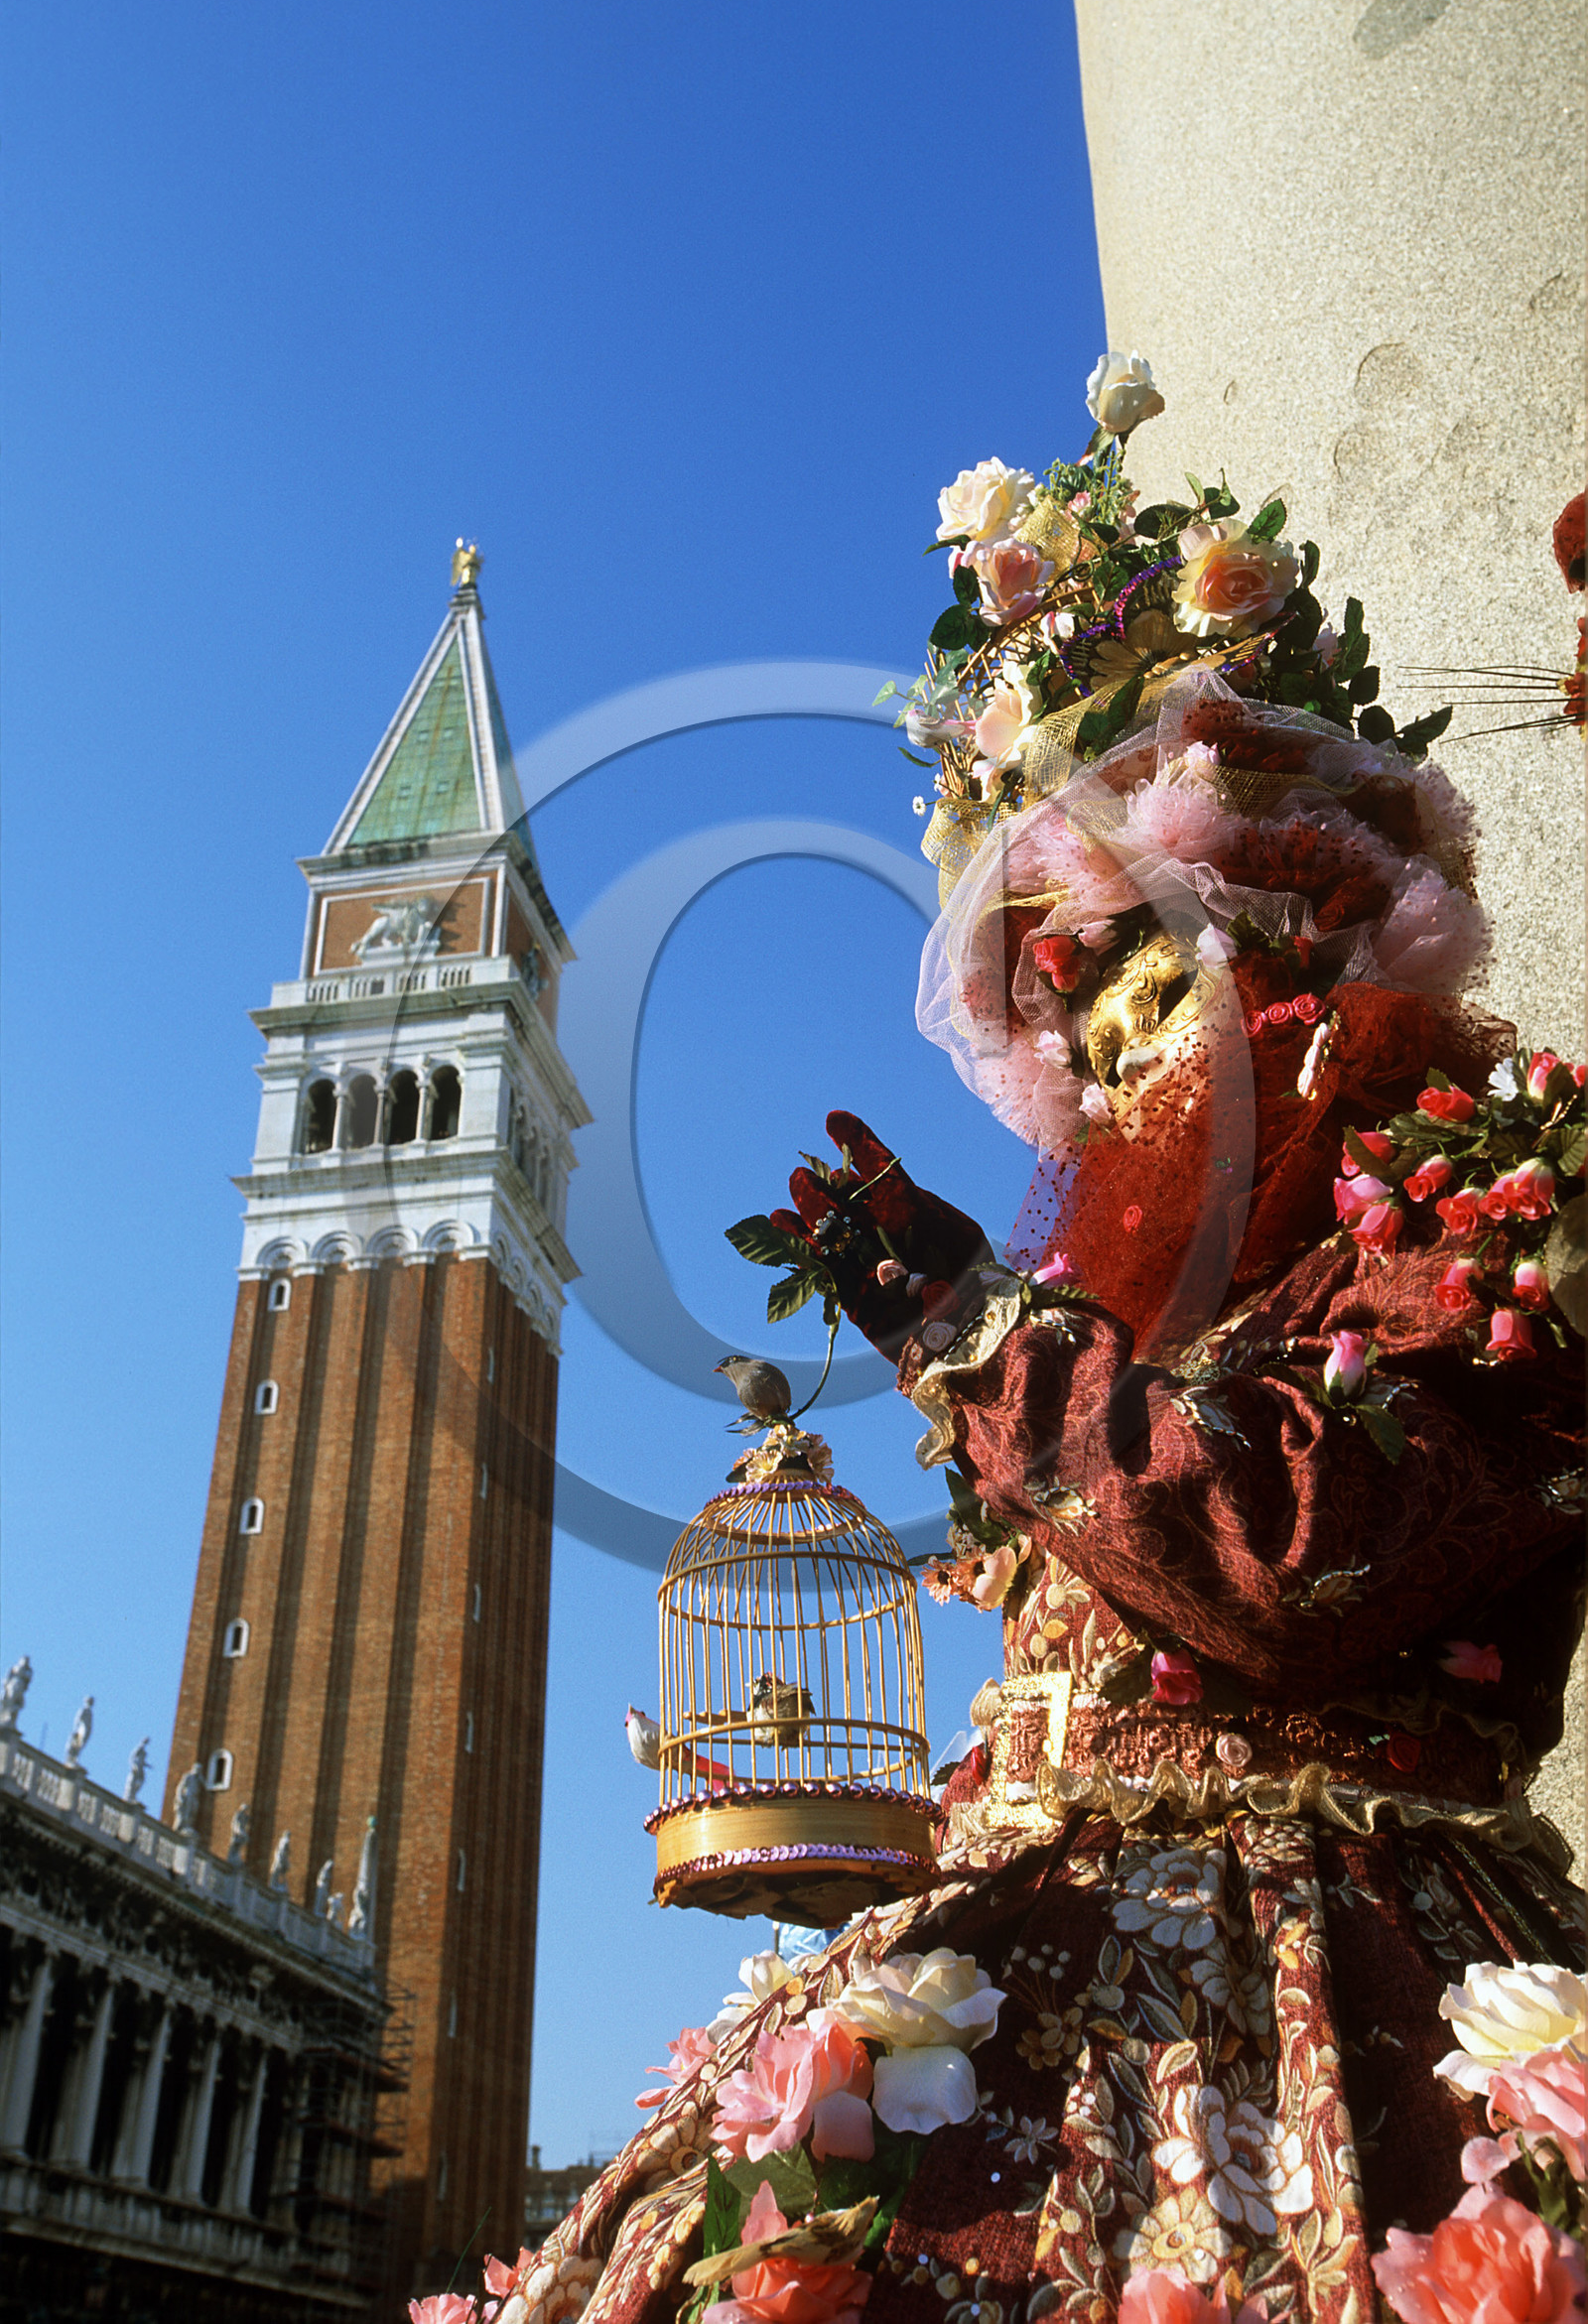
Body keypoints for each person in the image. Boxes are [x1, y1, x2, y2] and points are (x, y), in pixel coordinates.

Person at [435, 420, 1585, 2324]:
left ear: (1299, 920)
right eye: (1078, 989)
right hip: (1052, 1975)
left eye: (1159, 956)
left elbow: (1297, 1548)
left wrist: (986, 1333)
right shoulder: (1131, 1300)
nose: (1123, 1029)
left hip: (1335, 1969)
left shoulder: (1482, 1196)